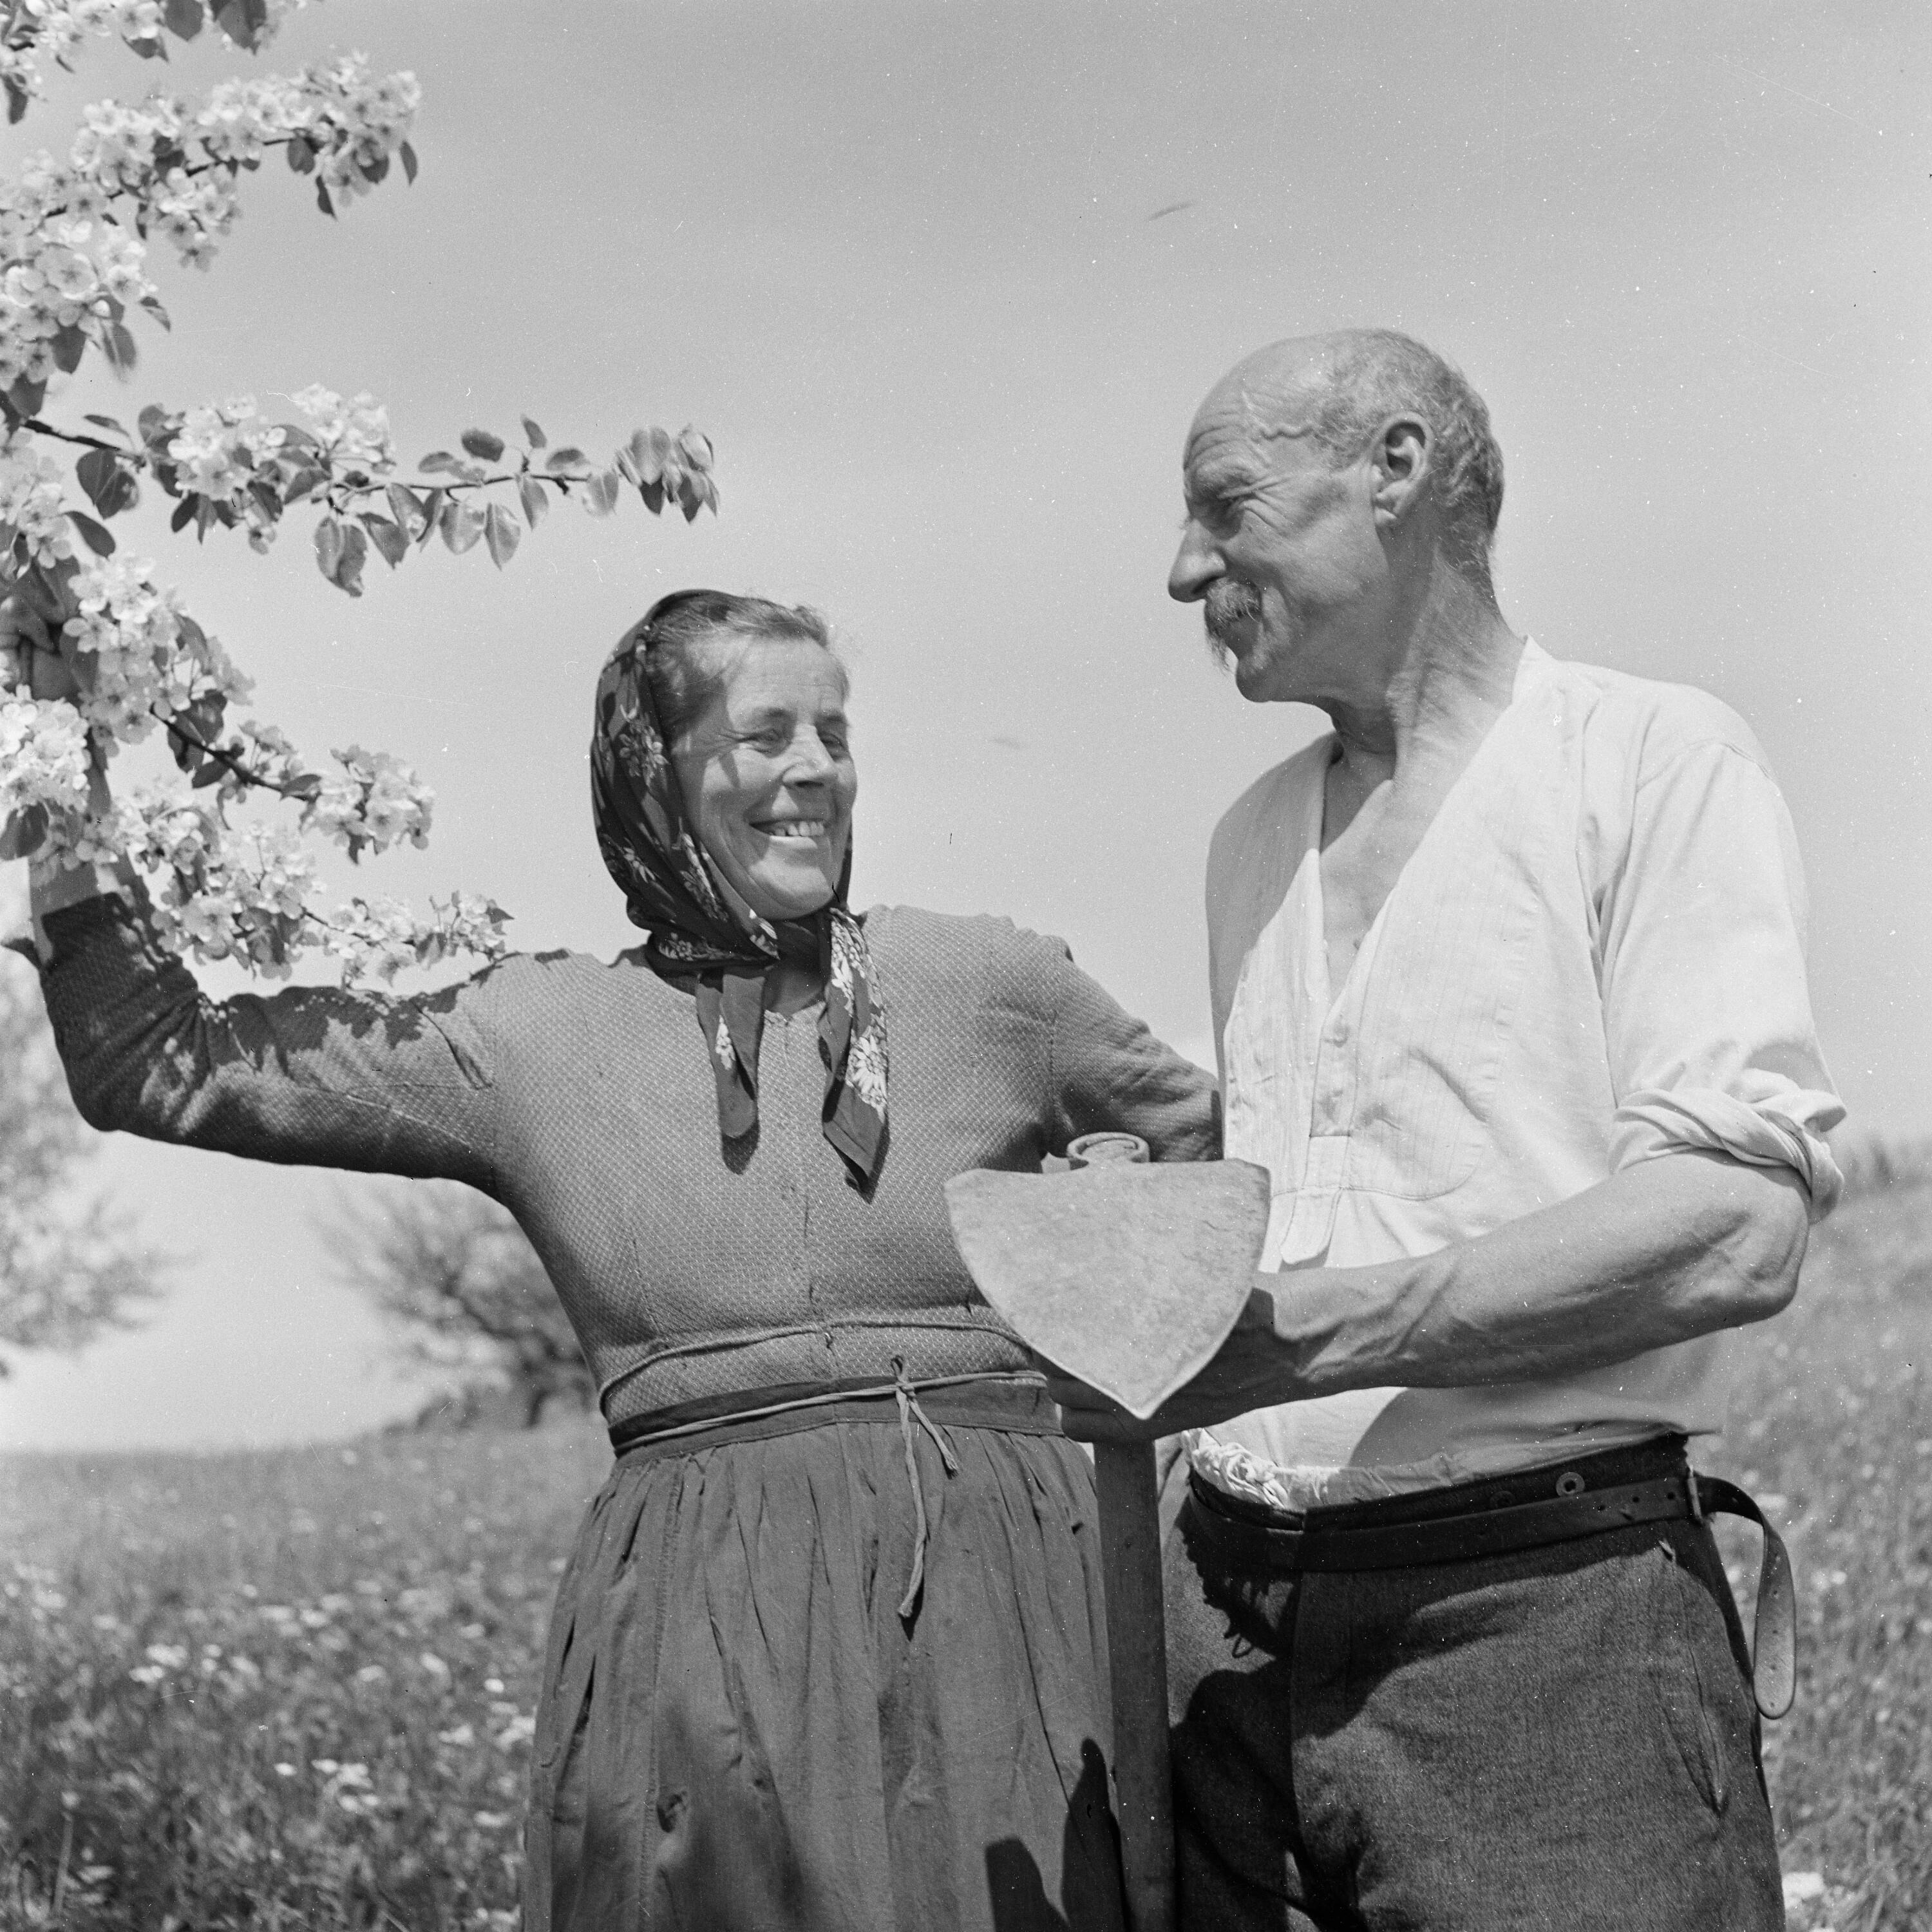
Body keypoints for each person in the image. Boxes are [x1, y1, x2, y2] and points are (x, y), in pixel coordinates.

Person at [14, 587, 1220, 1932]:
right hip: (703, 1639)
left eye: (834, 733)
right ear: (656, 772)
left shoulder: (992, 986)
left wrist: (1137, 1346)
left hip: (1010, 1624)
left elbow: (1208, 1145)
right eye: (766, 734)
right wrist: (54, 738)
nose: (816, 769)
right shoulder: (536, 1040)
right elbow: (155, 1060)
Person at [1048, 332, 1843, 1931]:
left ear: (1396, 471)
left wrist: (1294, 1342)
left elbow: (1733, 1224)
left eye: (1225, 506)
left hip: (1543, 1639)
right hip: (1230, 1641)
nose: (1184, 569)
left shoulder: (1649, 757)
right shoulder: (1248, 841)